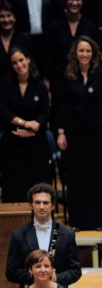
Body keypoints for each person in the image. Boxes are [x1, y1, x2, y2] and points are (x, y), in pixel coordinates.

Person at [56, 36, 102, 231]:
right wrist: (60, 132)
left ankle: (100, 220)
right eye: (81, 51)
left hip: (96, 132)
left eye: (88, 51)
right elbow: (61, 107)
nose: (84, 54)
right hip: (74, 133)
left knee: (98, 176)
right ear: (75, 53)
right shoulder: (67, 76)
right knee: (77, 177)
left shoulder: (101, 74)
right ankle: (78, 221)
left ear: (93, 54)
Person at [6, 182, 82, 288]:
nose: (41, 207)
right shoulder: (18, 234)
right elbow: (11, 272)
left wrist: (56, 278)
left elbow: (75, 271)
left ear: (53, 206)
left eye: (45, 203)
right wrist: (37, 277)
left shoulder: (67, 234)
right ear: (31, 205)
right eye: (37, 202)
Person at [0, 46, 50, 202]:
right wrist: (24, 123)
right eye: (14, 63)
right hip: (12, 142)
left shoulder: (40, 85)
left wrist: (33, 130)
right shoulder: (5, 86)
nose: (19, 65)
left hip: (36, 142)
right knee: (14, 183)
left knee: (37, 184)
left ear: (28, 59)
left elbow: (45, 112)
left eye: (21, 60)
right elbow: (4, 111)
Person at [44, 0, 99, 129]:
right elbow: (48, 59)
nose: (75, 3)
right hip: (59, 81)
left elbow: (96, 57)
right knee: (59, 116)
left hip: (83, 81)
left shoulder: (90, 26)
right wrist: (47, 89)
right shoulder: (54, 26)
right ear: (65, 1)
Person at [0, 0, 33, 84]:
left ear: (14, 18)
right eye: (2, 16)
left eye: (9, 15)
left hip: (20, 87)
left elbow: (32, 66)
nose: (6, 20)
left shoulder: (24, 38)